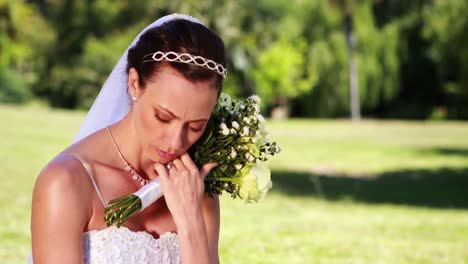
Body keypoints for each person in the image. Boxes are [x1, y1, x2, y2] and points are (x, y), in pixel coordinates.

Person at [29, 13, 226, 264]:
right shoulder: (66, 181)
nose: (176, 142)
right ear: (134, 84)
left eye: (196, 126)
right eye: (163, 117)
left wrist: (191, 223)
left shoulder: (195, 184)